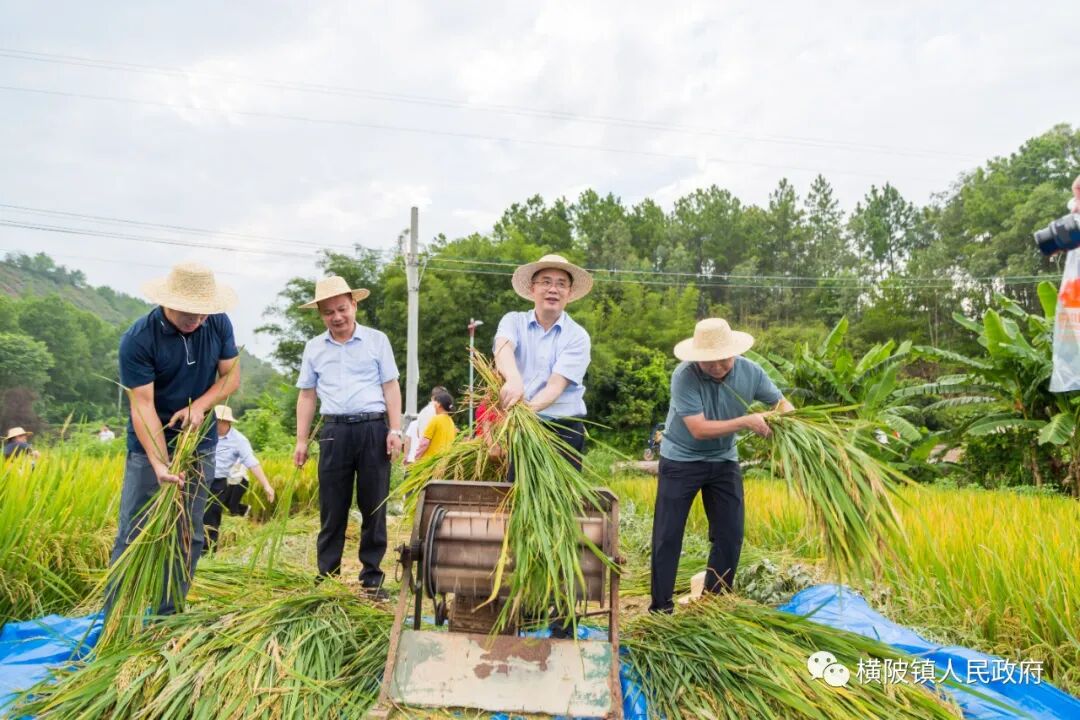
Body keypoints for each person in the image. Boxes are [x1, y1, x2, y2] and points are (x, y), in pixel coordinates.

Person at [110, 262, 240, 615]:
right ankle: (119, 616)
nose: (197, 320)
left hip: (199, 444)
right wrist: (159, 462)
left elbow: (231, 377)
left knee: (189, 533)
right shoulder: (139, 338)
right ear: (169, 301)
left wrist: (200, 406)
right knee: (135, 529)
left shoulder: (218, 322)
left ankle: (169, 613)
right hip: (149, 444)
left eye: (203, 312)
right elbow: (143, 405)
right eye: (189, 312)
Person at [649, 318, 794, 614]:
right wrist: (747, 422)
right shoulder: (684, 375)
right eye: (709, 362)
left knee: (730, 532)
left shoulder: (750, 372)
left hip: (723, 458)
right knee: (668, 534)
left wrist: (786, 421)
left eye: (723, 360)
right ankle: (660, 609)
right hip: (681, 459)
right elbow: (698, 429)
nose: (717, 367)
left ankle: (714, 603)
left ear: (734, 352)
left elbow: (782, 403)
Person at [293, 275, 403, 595]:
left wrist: (395, 430)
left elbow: (390, 386)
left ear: (354, 305)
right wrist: (301, 440)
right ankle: (327, 575)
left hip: (373, 427)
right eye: (329, 313)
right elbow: (307, 396)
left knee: (374, 504)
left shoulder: (376, 341)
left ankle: (372, 576)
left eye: (342, 309)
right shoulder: (314, 348)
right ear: (321, 315)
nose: (337, 317)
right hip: (333, 432)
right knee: (332, 506)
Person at [493, 254, 593, 470]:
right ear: (532, 288)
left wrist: (525, 413)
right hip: (519, 429)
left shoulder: (578, 336)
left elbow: (555, 386)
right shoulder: (513, 321)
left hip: (562, 431)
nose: (553, 289)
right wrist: (513, 380)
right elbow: (503, 349)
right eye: (545, 282)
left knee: (562, 499)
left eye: (561, 284)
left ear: (569, 292)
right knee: (516, 494)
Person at [202, 404, 276, 554]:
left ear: (227, 422)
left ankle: (207, 554)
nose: (214, 424)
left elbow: (252, 462)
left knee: (210, 519)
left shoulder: (239, 440)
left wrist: (266, 485)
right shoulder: (203, 433)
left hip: (217, 484)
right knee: (192, 517)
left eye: (217, 421)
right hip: (197, 480)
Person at [403, 386, 446, 466]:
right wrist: (417, 457)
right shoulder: (431, 412)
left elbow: (410, 439)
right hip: (427, 460)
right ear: (433, 398)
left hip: (429, 459)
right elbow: (424, 439)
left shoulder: (435, 413)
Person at [414, 389, 456, 461]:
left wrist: (416, 456)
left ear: (439, 404)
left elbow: (424, 442)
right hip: (443, 461)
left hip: (429, 462)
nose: (433, 405)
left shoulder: (435, 419)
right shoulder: (451, 422)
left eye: (435, 402)